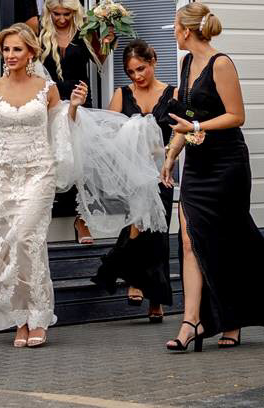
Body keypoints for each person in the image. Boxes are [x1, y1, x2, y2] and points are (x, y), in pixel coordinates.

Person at [0, 24, 167, 349]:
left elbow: (61, 128)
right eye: (6, 50)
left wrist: (73, 105)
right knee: (8, 248)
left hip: (38, 172)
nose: (10, 55)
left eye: (17, 49)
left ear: (30, 53)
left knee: (27, 240)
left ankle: (39, 316)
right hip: (0, 174)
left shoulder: (46, 89)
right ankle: (21, 319)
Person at [161, 3, 264, 353]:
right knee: (189, 241)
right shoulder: (186, 64)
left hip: (226, 166)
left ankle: (232, 320)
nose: (173, 33)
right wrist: (172, 154)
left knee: (227, 242)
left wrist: (197, 126)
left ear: (187, 30)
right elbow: (186, 116)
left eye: (175, 26)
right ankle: (191, 321)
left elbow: (236, 115)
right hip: (197, 166)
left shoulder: (221, 64)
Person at [91, 40, 175, 323]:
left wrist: (164, 153)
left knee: (158, 235)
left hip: (161, 174)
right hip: (131, 175)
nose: (137, 76)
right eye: (131, 72)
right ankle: (135, 281)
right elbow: (107, 134)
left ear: (153, 61)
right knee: (136, 229)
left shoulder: (173, 94)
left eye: (141, 69)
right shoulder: (122, 94)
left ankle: (156, 300)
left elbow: (183, 133)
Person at [38, 0, 107, 244]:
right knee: (52, 159)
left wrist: (106, 38)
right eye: (56, 14)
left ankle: (82, 219)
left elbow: (100, 60)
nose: (62, 19)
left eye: (67, 14)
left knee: (83, 159)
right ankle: (40, 216)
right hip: (52, 105)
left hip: (80, 102)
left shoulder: (84, 32)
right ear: (49, 11)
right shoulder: (40, 34)